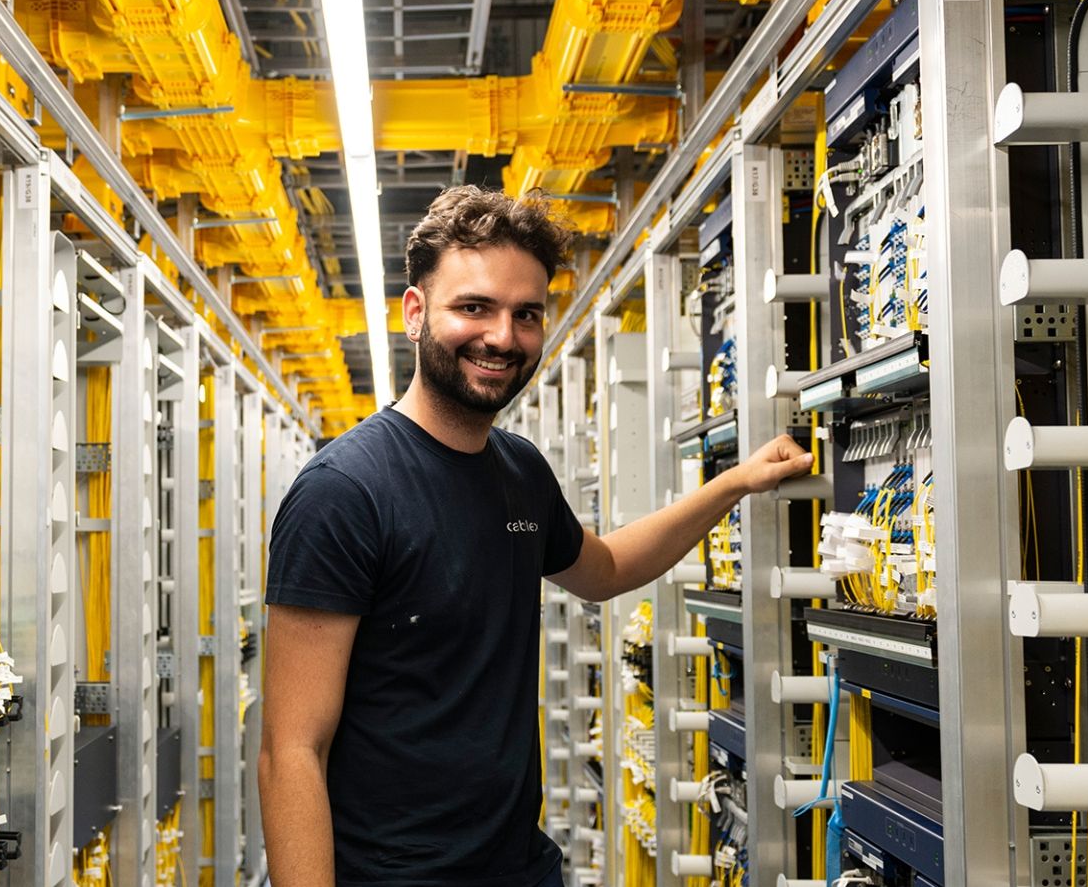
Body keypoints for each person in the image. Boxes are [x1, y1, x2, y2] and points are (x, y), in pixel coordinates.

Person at [258, 186, 814, 887]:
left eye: (526, 315)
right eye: (475, 307)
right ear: (415, 312)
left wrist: (734, 482)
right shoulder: (345, 491)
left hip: (519, 867)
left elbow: (605, 567)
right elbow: (290, 750)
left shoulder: (518, 471)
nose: (502, 337)